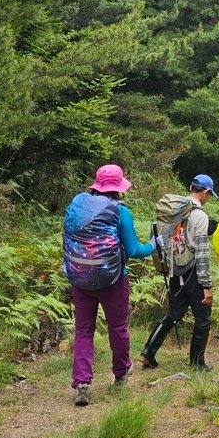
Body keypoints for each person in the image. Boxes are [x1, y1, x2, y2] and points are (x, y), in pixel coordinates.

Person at [62, 164, 154, 407]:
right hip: (113, 279)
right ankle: (121, 372)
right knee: (117, 327)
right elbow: (134, 250)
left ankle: (82, 383)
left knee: (83, 330)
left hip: (80, 278)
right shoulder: (120, 210)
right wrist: (155, 244)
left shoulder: (78, 204)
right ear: (118, 187)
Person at [138, 174, 219, 372]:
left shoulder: (173, 210)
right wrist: (206, 285)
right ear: (206, 192)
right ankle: (197, 363)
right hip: (192, 271)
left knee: (174, 313)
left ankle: (148, 353)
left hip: (174, 269)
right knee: (203, 317)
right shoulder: (199, 216)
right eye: (209, 195)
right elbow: (201, 252)